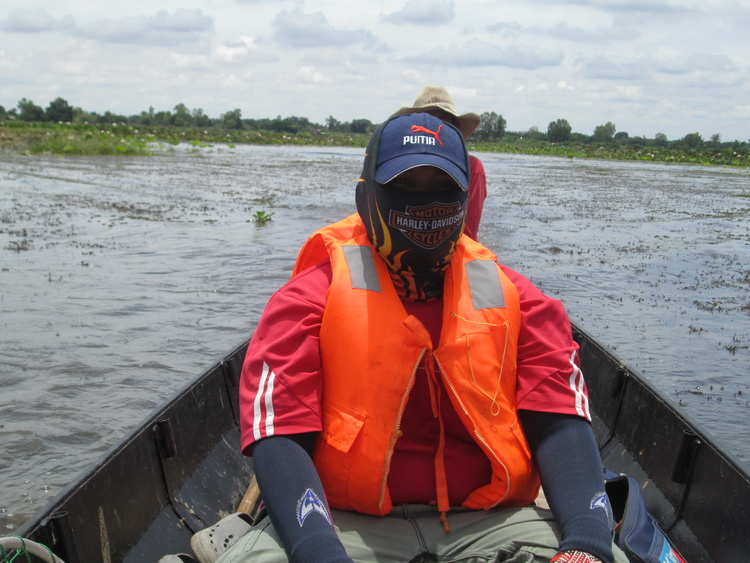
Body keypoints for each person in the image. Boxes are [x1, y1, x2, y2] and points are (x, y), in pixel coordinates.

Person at [217, 113, 627, 563]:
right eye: (406, 187)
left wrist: (587, 542)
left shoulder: (520, 299)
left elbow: (560, 419)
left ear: (465, 198)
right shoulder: (307, 300)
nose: (425, 204)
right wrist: (317, 550)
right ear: (366, 194)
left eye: (440, 188)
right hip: (344, 521)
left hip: (490, 518)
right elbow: (281, 436)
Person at [390, 86, 487, 241]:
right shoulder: (398, 166)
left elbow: (468, 231)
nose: (433, 126)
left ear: (454, 128)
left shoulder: (472, 167)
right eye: (426, 119)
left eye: (441, 120)